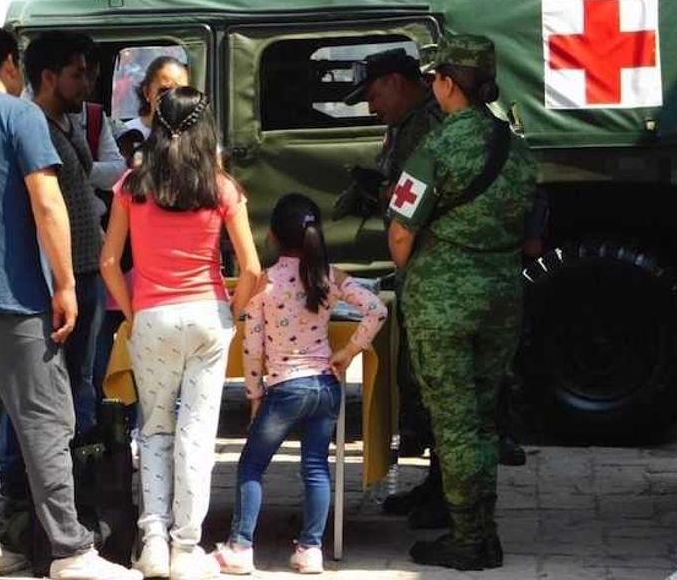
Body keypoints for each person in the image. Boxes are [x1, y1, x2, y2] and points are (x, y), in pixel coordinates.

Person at [0, 25, 139, 580]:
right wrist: (65, 285)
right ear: (10, 64)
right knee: (47, 418)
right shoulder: (19, 116)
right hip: (14, 294)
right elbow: (48, 202)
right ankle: (71, 549)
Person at [387, 35, 536, 570]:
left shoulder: (435, 147)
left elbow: (400, 233)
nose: (431, 86)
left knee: (453, 421)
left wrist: (421, 277)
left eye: (433, 78)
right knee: (482, 419)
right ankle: (480, 527)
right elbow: (531, 228)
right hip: (502, 295)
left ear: (448, 83)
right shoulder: (515, 145)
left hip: (443, 302)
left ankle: (472, 538)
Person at [100, 85, 261, 580]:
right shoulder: (222, 189)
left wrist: (131, 312)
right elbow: (252, 269)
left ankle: (152, 542)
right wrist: (229, 311)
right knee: (196, 434)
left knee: (154, 430)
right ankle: (187, 548)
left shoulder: (132, 185)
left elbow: (109, 262)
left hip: (152, 316)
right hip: (207, 316)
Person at [214, 193, 387, 576]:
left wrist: (254, 395)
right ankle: (310, 550)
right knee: (315, 467)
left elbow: (252, 347)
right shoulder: (329, 275)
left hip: (285, 389)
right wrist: (348, 352)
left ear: (273, 236)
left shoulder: (263, 283)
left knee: (252, 466)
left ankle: (241, 547)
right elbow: (377, 308)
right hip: (325, 386)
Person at [345, 48, 451, 527]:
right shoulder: (407, 126)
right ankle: (437, 485)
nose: (371, 107)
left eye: (373, 95)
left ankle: (450, 496)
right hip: (420, 268)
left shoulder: (428, 126)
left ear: (394, 81)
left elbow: (421, 198)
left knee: (438, 387)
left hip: (436, 269)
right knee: (419, 382)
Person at [27, 31, 106, 438]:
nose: (87, 83)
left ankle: (76, 468)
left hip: (86, 270)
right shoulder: (31, 126)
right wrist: (63, 281)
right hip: (59, 278)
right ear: (48, 77)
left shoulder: (70, 120)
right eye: (77, 74)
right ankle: (23, 477)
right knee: (48, 382)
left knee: (82, 378)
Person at [123, 56, 188, 140]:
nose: (173, 97)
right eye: (165, 91)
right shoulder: (127, 134)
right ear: (147, 93)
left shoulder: (196, 135)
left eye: (180, 91)